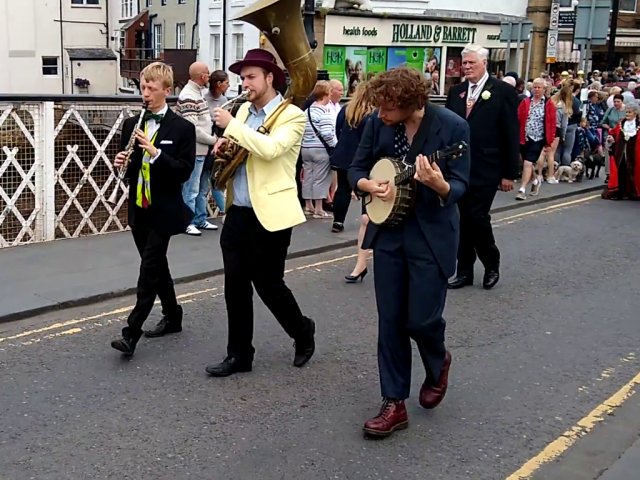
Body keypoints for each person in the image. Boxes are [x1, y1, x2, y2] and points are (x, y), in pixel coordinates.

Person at [349, 67, 470, 438]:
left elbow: (462, 185)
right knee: (390, 321)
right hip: (389, 233)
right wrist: (367, 183)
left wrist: (440, 184)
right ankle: (394, 403)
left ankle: (438, 361)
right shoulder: (377, 125)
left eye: (387, 107)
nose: (380, 114)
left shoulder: (451, 128)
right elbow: (355, 166)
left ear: (411, 103)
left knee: (421, 320)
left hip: (430, 235)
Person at [206, 49, 316, 377]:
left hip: (271, 214)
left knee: (269, 285)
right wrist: (222, 147)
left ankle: (302, 330)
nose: (245, 83)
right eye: (242, 78)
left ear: (270, 78)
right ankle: (239, 354)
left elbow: (270, 150)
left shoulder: (292, 115)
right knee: (235, 287)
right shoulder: (241, 111)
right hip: (238, 212)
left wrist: (231, 128)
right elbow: (240, 151)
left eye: (251, 77)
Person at [110, 62, 196, 355]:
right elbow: (130, 170)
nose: (145, 93)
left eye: (151, 88)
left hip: (164, 209)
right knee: (158, 267)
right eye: (143, 87)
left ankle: (131, 333)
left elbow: (184, 171)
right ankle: (173, 315)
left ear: (167, 91)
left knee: (148, 272)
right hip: (139, 208)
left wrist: (156, 153)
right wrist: (120, 163)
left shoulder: (182, 128)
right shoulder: (131, 124)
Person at [445, 44, 519, 290]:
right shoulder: (455, 92)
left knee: (476, 218)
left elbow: (510, 133)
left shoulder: (502, 91)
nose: (466, 67)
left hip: (487, 167)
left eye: (471, 63)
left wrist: (510, 173)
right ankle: (464, 271)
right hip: (457, 169)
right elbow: (447, 130)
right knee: (460, 220)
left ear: (484, 63)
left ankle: (491, 263)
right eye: (464, 63)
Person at [330, 83, 375, 279]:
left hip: (343, 156)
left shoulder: (346, 109)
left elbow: (337, 129)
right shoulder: (372, 114)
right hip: (363, 161)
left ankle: (338, 221)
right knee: (367, 202)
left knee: (342, 189)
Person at [177, 62, 219, 235]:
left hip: (202, 150)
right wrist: (212, 139)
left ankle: (199, 219)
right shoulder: (188, 95)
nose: (209, 77)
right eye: (207, 74)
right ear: (202, 76)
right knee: (191, 188)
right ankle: (187, 221)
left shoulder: (196, 93)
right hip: (194, 150)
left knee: (201, 188)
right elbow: (192, 127)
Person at [516, 78, 557, 200]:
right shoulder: (525, 102)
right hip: (524, 137)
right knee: (524, 162)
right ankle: (534, 181)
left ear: (545, 89)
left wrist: (550, 141)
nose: (537, 90)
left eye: (539, 87)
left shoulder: (549, 104)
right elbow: (518, 117)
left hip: (538, 138)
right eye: (535, 87)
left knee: (528, 163)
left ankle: (522, 189)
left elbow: (552, 123)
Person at [301, 81, 337, 219]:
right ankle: (319, 209)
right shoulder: (326, 112)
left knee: (308, 177)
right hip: (321, 149)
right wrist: (334, 145)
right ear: (326, 94)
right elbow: (327, 133)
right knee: (320, 178)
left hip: (306, 148)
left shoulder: (307, 111)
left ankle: (308, 206)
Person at [205, 70, 232, 220]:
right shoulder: (204, 98)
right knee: (204, 182)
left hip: (220, 142)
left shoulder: (224, 100)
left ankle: (225, 210)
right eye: (227, 82)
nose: (229, 86)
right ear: (219, 84)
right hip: (207, 142)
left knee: (216, 179)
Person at [602, 101, 640, 200]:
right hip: (621, 152)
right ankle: (620, 192)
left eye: (629, 112)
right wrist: (611, 138)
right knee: (621, 171)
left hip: (635, 154)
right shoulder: (621, 123)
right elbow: (613, 133)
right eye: (626, 112)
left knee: (633, 172)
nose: (627, 114)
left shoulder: (638, 125)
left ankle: (633, 192)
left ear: (635, 113)